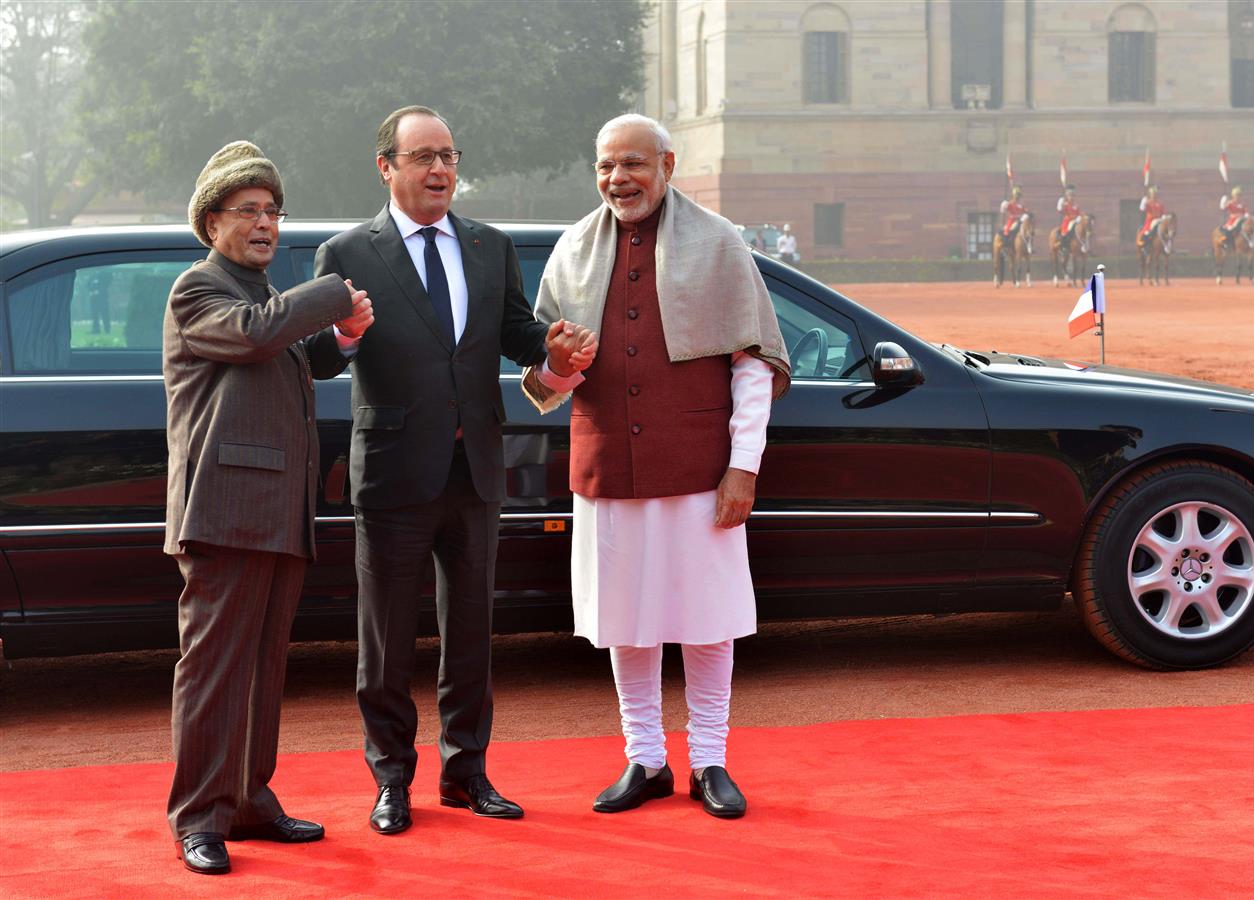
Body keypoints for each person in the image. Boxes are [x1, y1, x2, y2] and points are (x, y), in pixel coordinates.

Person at [306, 106, 593, 835]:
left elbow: (515, 332)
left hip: (476, 468)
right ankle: (390, 780)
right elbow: (313, 358)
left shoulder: (489, 246)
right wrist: (343, 333)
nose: (440, 170)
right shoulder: (346, 252)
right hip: (394, 474)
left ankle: (467, 773)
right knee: (387, 639)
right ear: (386, 167)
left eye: (450, 156)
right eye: (423, 156)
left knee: (471, 633)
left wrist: (551, 350)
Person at [521, 113, 791, 819]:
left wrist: (744, 467)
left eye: (634, 164)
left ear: (667, 164)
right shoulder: (573, 250)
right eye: (607, 166)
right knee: (625, 620)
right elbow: (545, 382)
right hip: (608, 465)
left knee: (708, 620)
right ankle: (644, 757)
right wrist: (560, 364)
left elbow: (753, 367)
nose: (619, 179)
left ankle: (710, 760)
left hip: (700, 467)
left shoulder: (719, 243)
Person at [163, 141, 374, 875]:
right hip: (223, 513)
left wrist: (342, 336)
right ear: (211, 220)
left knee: (261, 668)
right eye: (249, 210)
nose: (266, 224)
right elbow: (253, 339)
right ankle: (199, 818)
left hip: (278, 510)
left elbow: (287, 350)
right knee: (215, 670)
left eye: (274, 211)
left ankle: (250, 800)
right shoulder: (200, 287)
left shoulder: (256, 291)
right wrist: (332, 295)